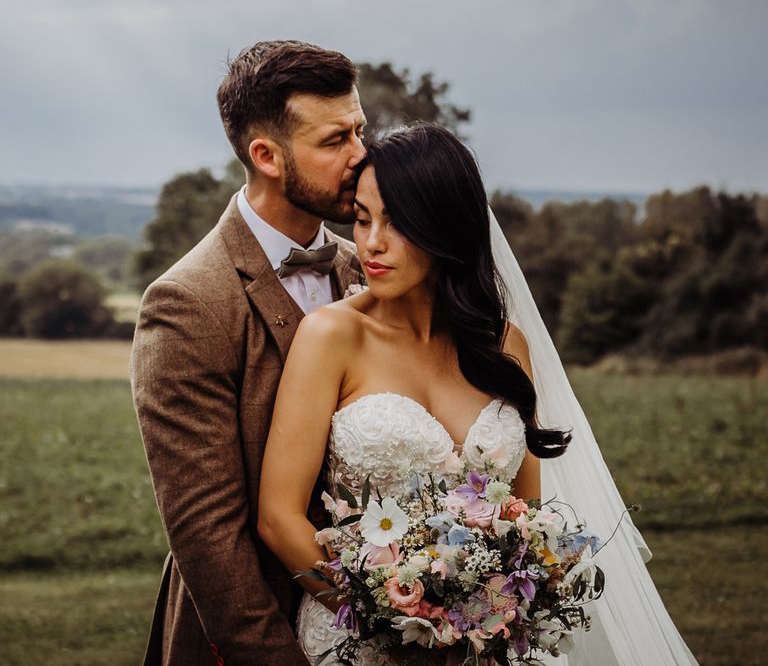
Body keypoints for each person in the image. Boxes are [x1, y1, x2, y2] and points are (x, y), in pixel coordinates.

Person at [258, 123, 699, 665]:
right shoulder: (332, 337)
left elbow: (527, 513)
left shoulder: (505, 345)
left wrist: (490, 617)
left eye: (398, 223)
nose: (371, 242)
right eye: (363, 217)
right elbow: (279, 518)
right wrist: (395, 623)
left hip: (490, 647)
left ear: (446, 228)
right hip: (362, 643)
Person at [130, 40, 367, 666]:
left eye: (360, 131)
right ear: (265, 155)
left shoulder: (365, 268)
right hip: (255, 636)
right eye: (334, 141)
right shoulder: (186, 302)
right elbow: (207, 534)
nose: (360, 157)